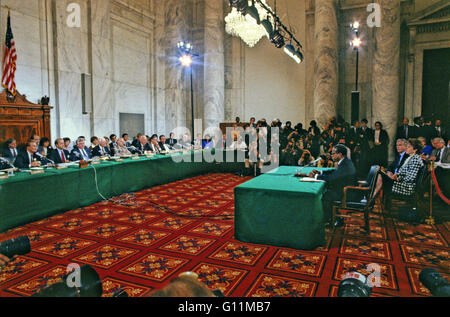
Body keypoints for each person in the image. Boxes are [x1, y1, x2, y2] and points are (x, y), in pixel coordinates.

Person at [305, 144, 356, 226]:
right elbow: (335, 171)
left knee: (326, 196)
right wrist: (320, 172)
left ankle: (330, 220)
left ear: (340, 154)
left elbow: (332, 178)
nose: (331, 155)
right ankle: (334, 217)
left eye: (333, 153)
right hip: (344, 188)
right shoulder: (345, 161)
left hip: (347, 192)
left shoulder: (345, 164)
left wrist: (315, 176)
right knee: (327, 192)